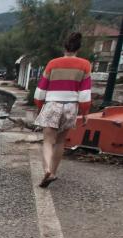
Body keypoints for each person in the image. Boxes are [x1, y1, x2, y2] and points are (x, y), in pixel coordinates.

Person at [33, 32, 91, 188]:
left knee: (48, 141)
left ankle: (47, 171)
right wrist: (85, 113)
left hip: (53, 104)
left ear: (64, 47)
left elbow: (41, 90)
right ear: (78, 48)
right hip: (71, 106)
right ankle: (53, 171)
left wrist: (39, 107)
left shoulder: (53, 63)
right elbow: (85, 93)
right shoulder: (85, 65)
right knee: (60, 142)